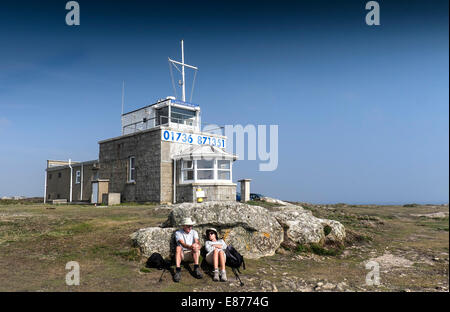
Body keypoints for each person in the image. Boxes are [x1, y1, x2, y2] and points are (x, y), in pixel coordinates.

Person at [173, 217, 203, 282]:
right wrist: (190, 247)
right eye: (188, 226)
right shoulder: (178, 233)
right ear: (184, 226)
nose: (190, 227)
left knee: (195, 246)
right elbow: (182, 244)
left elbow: (197, 241)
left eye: (191, 226)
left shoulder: (194, 232)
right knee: (178, 248)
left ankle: (196, 268)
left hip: (193, 253)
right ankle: (178, 270)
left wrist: (197, 245)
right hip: (183, 254)